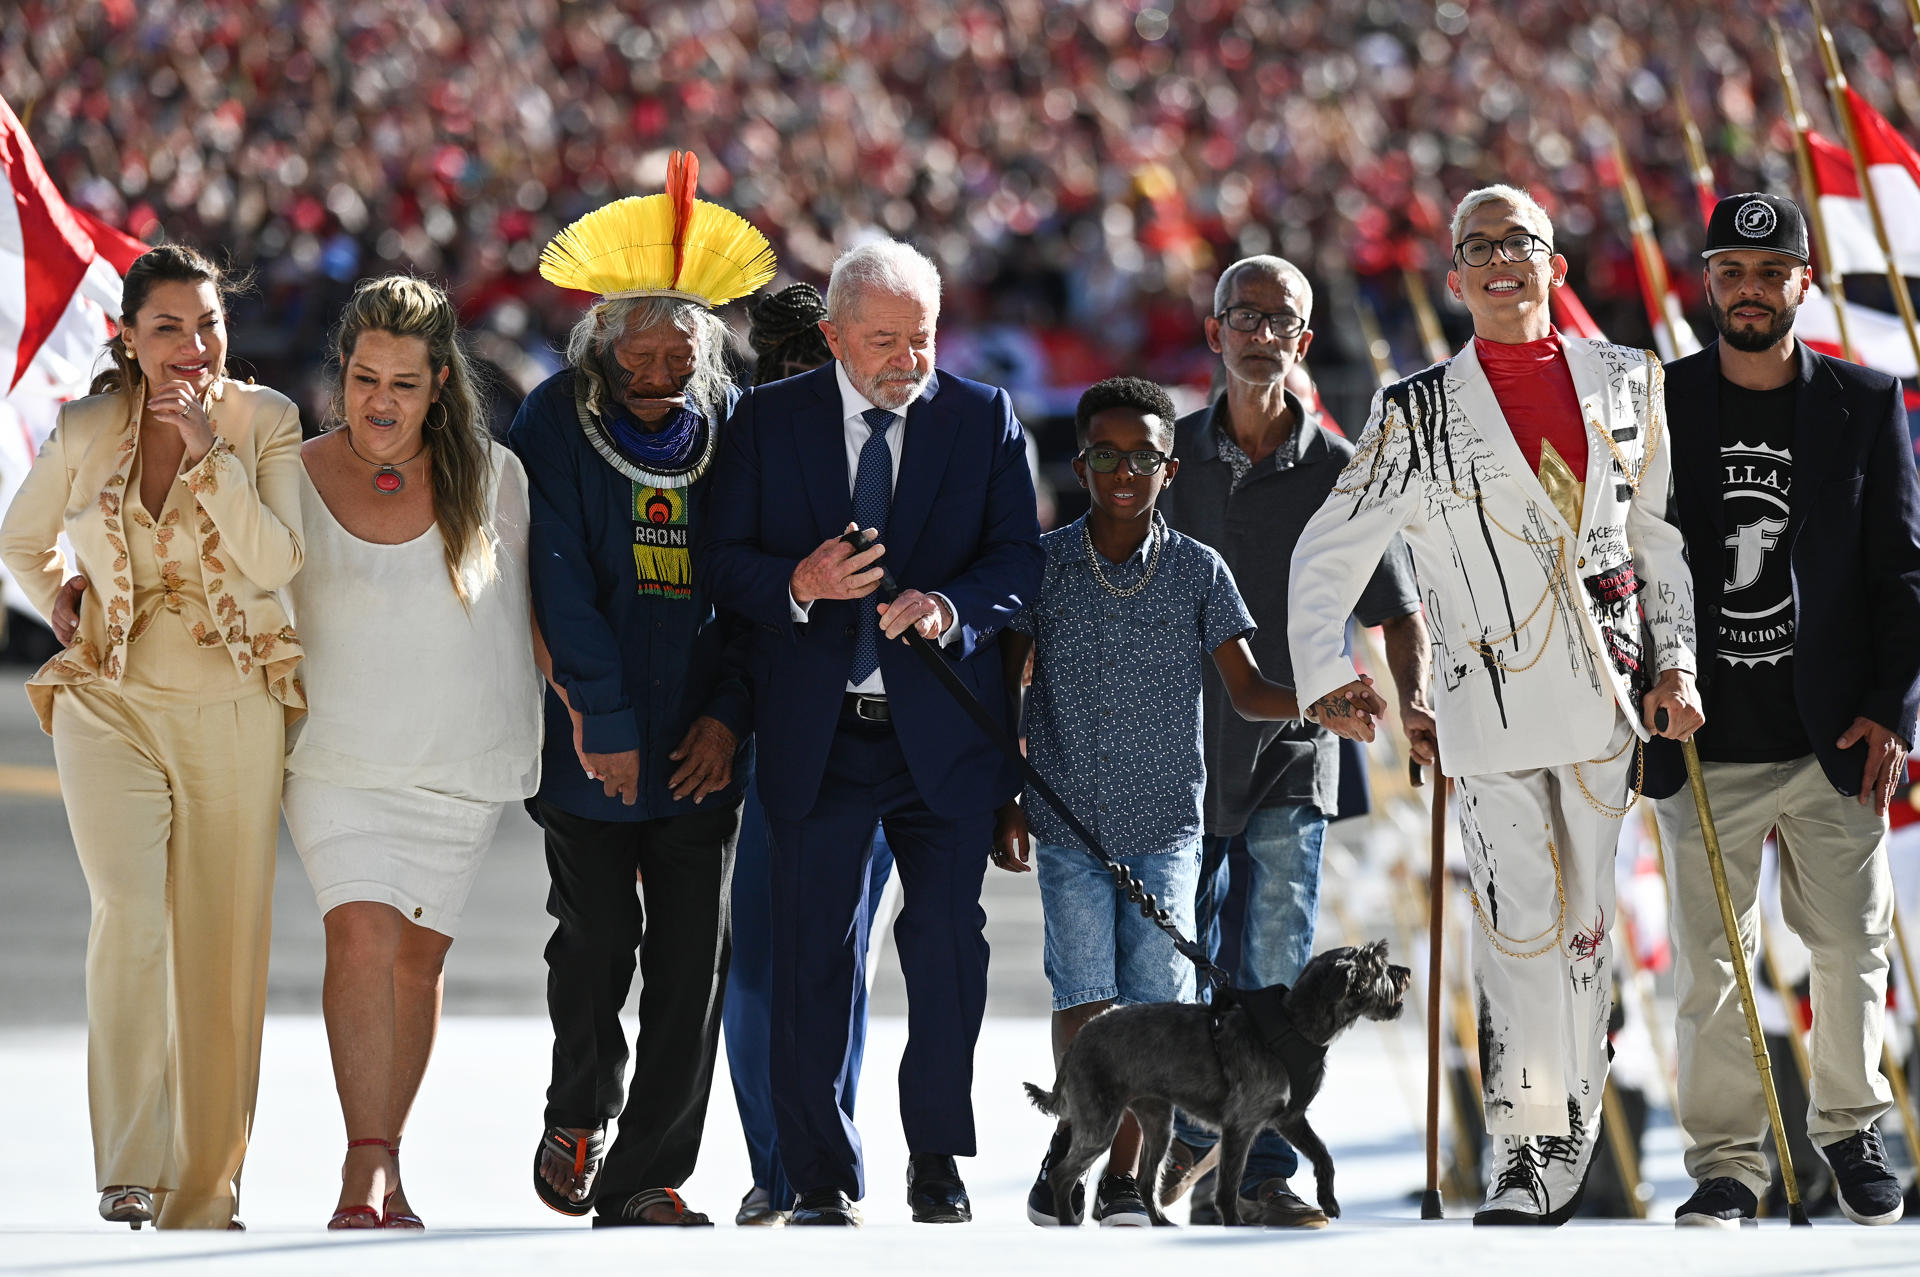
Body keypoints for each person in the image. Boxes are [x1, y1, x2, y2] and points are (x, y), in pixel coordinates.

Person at [1287, 185, 1703, 1226]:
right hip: (1487, 701)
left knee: (1584, 931)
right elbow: (1330, 549)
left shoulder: (1631, 378)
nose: (1502, 261)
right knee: (1516, 924)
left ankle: (1569, 1112)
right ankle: (1529, 1148)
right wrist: (1324, 670)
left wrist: (1678, 662)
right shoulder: (1413, 409)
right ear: (1457, 276)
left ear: (1555, 265)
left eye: (1521, 242)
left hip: (1611, 698)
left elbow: (1657, 541)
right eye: (1480, 247)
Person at [706, 239, 1043, 1227]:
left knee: (945, 952)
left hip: (940, 738)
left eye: (923, 337)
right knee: (813, 957)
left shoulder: (983, 418)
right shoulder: (765, 422)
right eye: (884, 340)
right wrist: (799, 584)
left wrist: (950, 608)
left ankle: (936, 1157)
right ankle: (816, 1171)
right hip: (819, 736)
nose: (908, 358)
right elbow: (722, 565)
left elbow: (1019, 560)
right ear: (834, 335)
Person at [0, 244, 304, 1230]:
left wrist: (213, 459)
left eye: (208, 323)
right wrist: (56, 593)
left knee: (221, 946)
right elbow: (19, 536)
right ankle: (128, 1162)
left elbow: (276, 556)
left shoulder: (267, 422)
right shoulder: (86, 426)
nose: (193, 344)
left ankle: (203, 1188)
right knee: (130, 912)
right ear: (126, 338)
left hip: (233, 707)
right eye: (168, 326)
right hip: (111, 698)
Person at [991, 376, 1329, 1227]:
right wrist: (1007, 795)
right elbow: (1006, 688)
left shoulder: (1197, 570)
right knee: (1083, 1001)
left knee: (1157, 1016)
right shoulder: (1046, 564)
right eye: (1105, 455)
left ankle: (1126, 1182)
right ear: (1080, 464)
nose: (1123, 471)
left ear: (1170, 469)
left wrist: (1322, 697)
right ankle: (1076, 1153)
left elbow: (1249, 690)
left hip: (1168, 828)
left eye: (1142, 456)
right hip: (1068, 820)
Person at [1647, 193, 1920, 1229]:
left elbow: (1904, 572)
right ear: (1707, 282)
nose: (1750, 289)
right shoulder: (1660, 401)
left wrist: (1891, 712)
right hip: (1701, 735)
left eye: (1770, 271)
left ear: (1805, 279)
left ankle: (1851, 1129)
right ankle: (1728, 1166)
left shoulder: (1865, 397)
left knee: (1852, 944)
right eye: (1731, 270)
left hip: (1830, 736)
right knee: (1710, 961)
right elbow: (1623, 563)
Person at [510, 154, 769, 1227]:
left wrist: (727, 718)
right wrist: (604, 725)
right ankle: (580, 1106)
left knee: (690, 968)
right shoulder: (550, 423)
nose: (658, 371)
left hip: (702, 748)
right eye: (640, 351)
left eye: (679, 353)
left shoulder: (736, 425)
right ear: (599, 341)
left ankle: (648, 1173)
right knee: (597, 939)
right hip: (587, 746)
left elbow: (758, 581)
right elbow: (556, 585)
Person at [1157, 255, 1430, 1227]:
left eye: (1282, 319)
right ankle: (1183, 1145)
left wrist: (1419, 703)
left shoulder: (1342, 468)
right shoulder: (1164, 457)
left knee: (1275, 965)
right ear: (1215, 330)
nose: (1262, 332)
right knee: (1183, 966)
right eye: (1246, 314)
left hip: (1292, 758)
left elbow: (1397, 609)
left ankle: (1263, 1169)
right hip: (1174, 755)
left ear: (1303, 342)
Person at [282, 275, 541, 1229]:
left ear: (440, 383)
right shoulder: (289, 473)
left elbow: (537, 620)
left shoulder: (495, 474)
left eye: (401, 382)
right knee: (359, 935)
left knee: (416, 966)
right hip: (335, 760)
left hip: (458, 760)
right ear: (339, 378)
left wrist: (601, 716)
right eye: (361, 379)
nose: (377, 401)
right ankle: (362, 1163)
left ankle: (389, 1153)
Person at [723, 281, 899, 1226]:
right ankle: (774, 1161)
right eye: (777, 365)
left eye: (811, 361)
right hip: (758, 745)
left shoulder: (891, 440)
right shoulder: (745, 437)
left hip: (866, 742)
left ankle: (820, 1159)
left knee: (837, 964)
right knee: (754, 969)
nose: (795, 380)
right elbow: (722, 593)